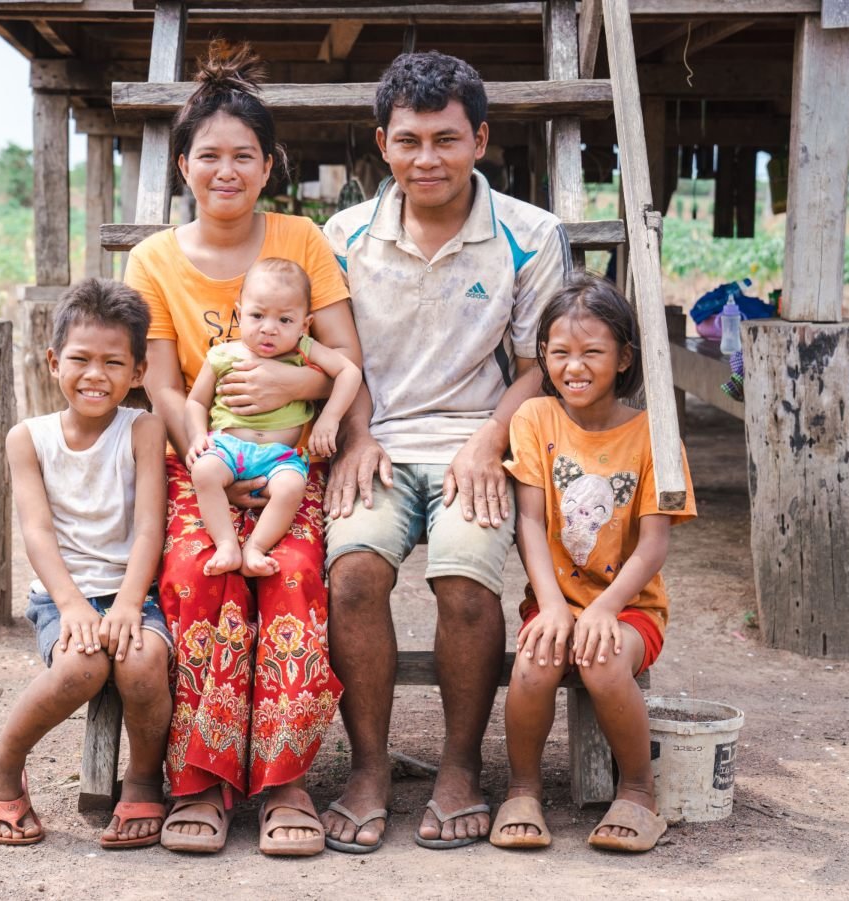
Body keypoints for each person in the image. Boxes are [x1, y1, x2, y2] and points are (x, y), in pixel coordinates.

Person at [320, 51, 572, 852]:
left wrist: (489, 439)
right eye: (408, 140)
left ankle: (461, 767)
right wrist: (356, 435)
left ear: (481, 139)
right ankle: (367, 767)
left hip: (480, 439)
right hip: (379, 442)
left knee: (465, 581)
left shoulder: (531, 237)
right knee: (354, 574)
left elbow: (542, 364)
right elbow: (341, 355)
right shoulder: (345, 235)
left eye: (446, 139)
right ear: (381, 144)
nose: (427, 158)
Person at [124, 40, 362, 856]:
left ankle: (286, 777)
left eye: (245, 156)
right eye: (210, 155)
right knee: (199, 573)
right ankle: (201, 778)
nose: (227, 170)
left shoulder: (301, 239)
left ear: (270, 165)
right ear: (183, 165)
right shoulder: (152, 259)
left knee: (291, 574)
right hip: (204, 462)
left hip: (293, 461)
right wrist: (207, 459)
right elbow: (162, 385)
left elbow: (341, 358)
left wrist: (293, 393)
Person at [491, 273, 695, 853]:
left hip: (630, 608)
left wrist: (605, 608)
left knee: (604, 663)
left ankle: (638, 793)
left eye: (592, 353)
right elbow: (529, 521)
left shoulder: (654, 433)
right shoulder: (534, 419)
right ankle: (522, 789)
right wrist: (552, 604)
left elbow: (654, 543)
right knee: (533, 662)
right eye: (559, 353)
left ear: (624, 356)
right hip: (555, 600)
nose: (573, 366)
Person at [0, 279, 172, 849]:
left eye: (114, 362)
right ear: (52, 361)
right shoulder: (28, 438)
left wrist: (132, 603)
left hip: (134, 591)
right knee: (82, 665)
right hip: (61, 595)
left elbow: (148, 528)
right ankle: (4, 762)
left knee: (140, 663)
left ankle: (141, 779)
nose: (96, 375)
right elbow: (37, 532)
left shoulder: (143, 429)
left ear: (137, 371)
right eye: (81, 359)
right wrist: (70, 606)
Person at [185, 258, 362, 579]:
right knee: (204, 471)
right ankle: (226, 544)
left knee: (292, 486)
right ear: (239, 313)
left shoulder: (304, 350)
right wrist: (198, 435)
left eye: (284, 319)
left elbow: (349, 371)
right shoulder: (224, 355)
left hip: (280, 458)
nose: (269, 328)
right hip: (228, 448)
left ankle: (255, 547)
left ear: (304, 325)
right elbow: (196, 401)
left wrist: (330, 418)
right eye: (257, 315)